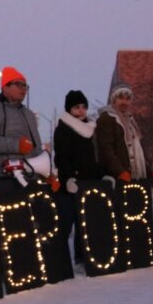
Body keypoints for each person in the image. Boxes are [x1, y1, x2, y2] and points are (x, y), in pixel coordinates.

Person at [53, 90, 103, 265]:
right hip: (71, 184)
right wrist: (67, 178)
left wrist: (100, 175)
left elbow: (92, 158)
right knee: (66, 224)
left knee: (85, 225)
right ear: (69, 109)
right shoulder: (63, 129)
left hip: (88, 182)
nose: (81, 111)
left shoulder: (89, 129)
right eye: (76, 107)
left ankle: (82, 258)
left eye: (84, 107)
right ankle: (59, 262)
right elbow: (61, 156)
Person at [0, 66, 44, 193]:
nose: (23, 89)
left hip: (27, 179)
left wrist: (45, 173)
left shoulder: (29, 115)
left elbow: (37, 148)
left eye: (25, 86)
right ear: (5, 88)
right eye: (18, 84)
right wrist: (16, 145)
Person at [95, 83, 148, 182]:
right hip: (116, 177)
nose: (124, 102)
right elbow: (106, 149)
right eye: (121, 98)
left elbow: (137, 151)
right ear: (113, 99)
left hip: (133, 176)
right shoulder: (106, 119)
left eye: (127, 99)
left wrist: (149, 172)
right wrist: (120, 172)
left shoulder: (130, 121)